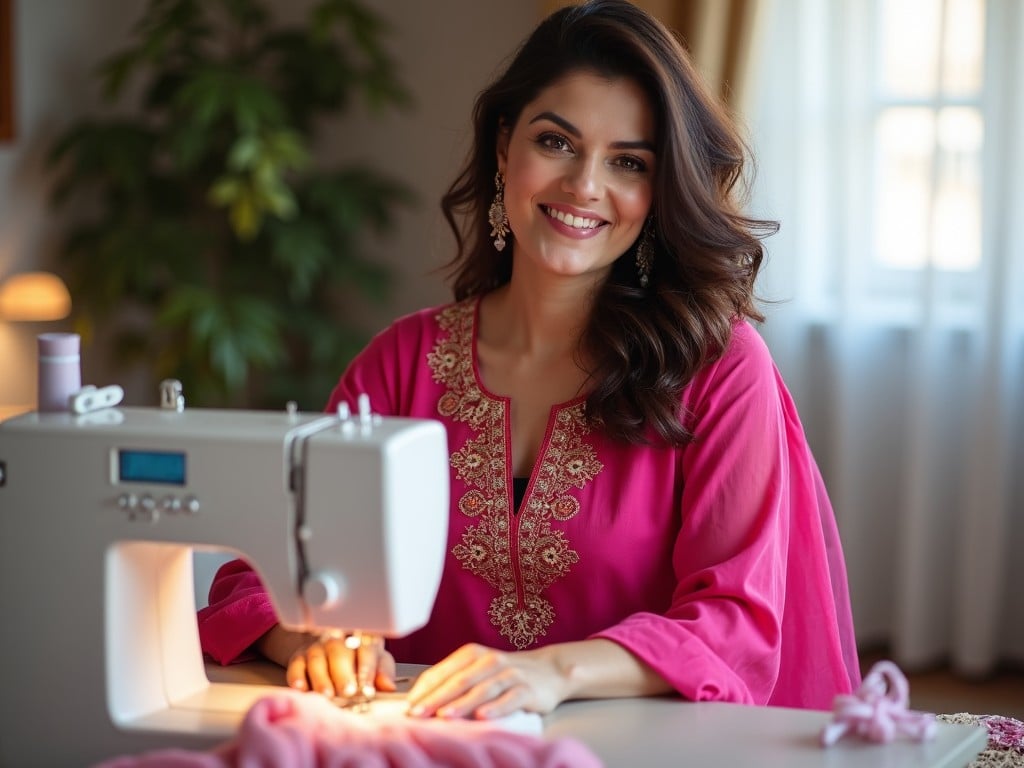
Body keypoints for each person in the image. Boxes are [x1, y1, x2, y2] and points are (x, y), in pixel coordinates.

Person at [199, 0, 861, 720]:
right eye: (558, 143)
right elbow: (258, 575)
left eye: (628, 162)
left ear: (658, 191)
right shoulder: (400, 364)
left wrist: (552, 673)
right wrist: (309, 640)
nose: (583, 186)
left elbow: (736, 624)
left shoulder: (721, 369)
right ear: (505, 144)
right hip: (429, 745)